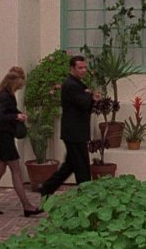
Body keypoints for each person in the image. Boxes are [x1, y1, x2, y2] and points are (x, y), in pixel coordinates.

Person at [0, 66, 43, 217]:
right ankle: (27, 206)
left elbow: (8, 112)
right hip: (4, 137)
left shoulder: (7, 94)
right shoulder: (5, 95)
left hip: (3, 136)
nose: (22, 85)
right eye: (21, 82)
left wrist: (19, 114)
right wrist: (16, 117)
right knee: (16, 170)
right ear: (15, 81)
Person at [38, 55, 100, 196]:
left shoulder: (77, 83)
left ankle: (47, 188)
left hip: (76, 132)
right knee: (82, 166)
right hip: (74, 132)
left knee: (70, 165)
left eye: (85, 67)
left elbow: (84, 104)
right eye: (80, 68)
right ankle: (86, 195)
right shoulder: (70, 84)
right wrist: (89, 96)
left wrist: (91, 98)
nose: (83, 70)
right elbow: (82, 103)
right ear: (72, 68)